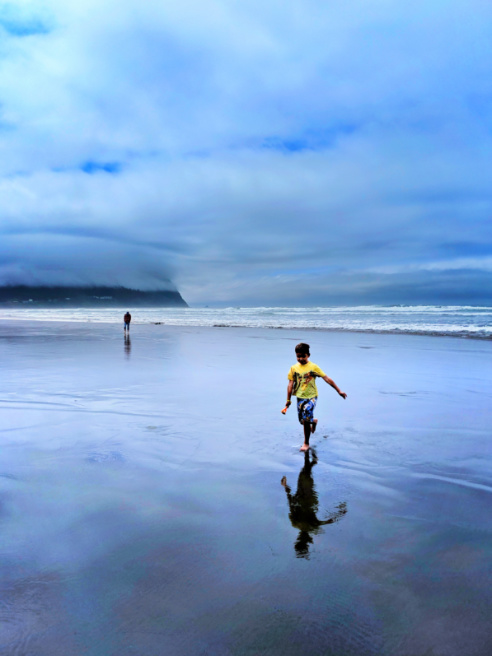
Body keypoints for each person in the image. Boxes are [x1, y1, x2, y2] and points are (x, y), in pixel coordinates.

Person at [281, 451, 347, 558]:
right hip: (305, 496)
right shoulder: (300, 524)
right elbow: (291, 505)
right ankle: (310, 459)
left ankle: (311, 460)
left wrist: (286, 489)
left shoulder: (308, 526)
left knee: (305, 474)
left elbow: (328, 521)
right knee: (304, 474)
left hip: (308, 497)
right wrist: (286, 489)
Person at [285, 342, 346, 451]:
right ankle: (314, 420)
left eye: (303, 356)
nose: (301, 359)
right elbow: (290, 384)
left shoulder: (313, 367)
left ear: (308, 355)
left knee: (306, 418)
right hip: (299, 397)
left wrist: (339, 391)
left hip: (311, 396)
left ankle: (306, 443)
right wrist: (288, 399)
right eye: (298, 356)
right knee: (303, 421)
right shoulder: (293, 368)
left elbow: (326, 378)